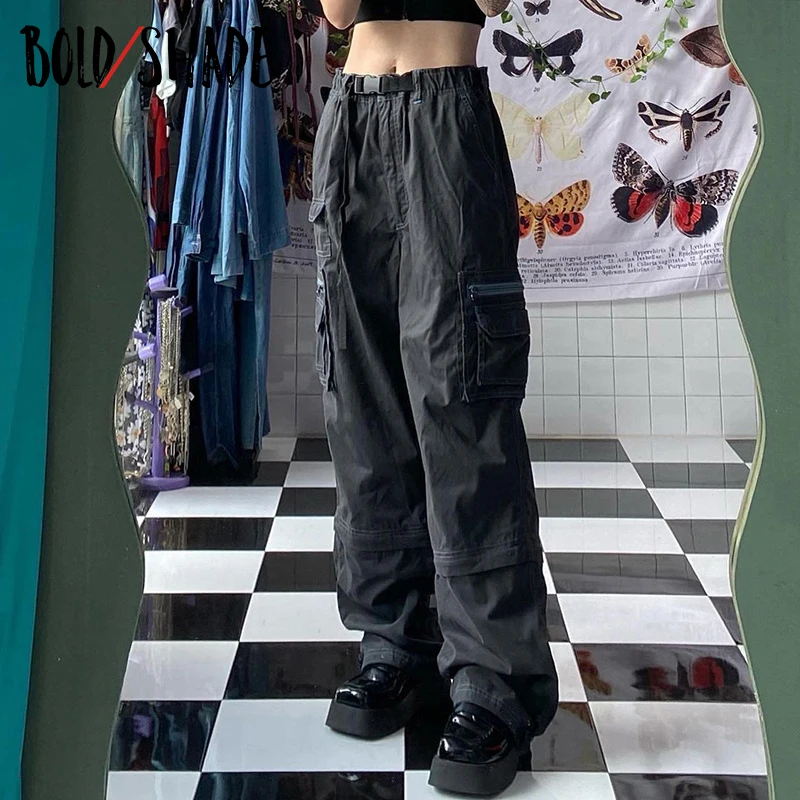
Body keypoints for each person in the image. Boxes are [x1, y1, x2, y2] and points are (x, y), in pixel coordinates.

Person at [309, 0, 559, 795]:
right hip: (353, 119)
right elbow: (338, 13)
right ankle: (395, 643)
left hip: (447, 119)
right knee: (362, 400)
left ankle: (493, 679)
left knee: (462, 399)